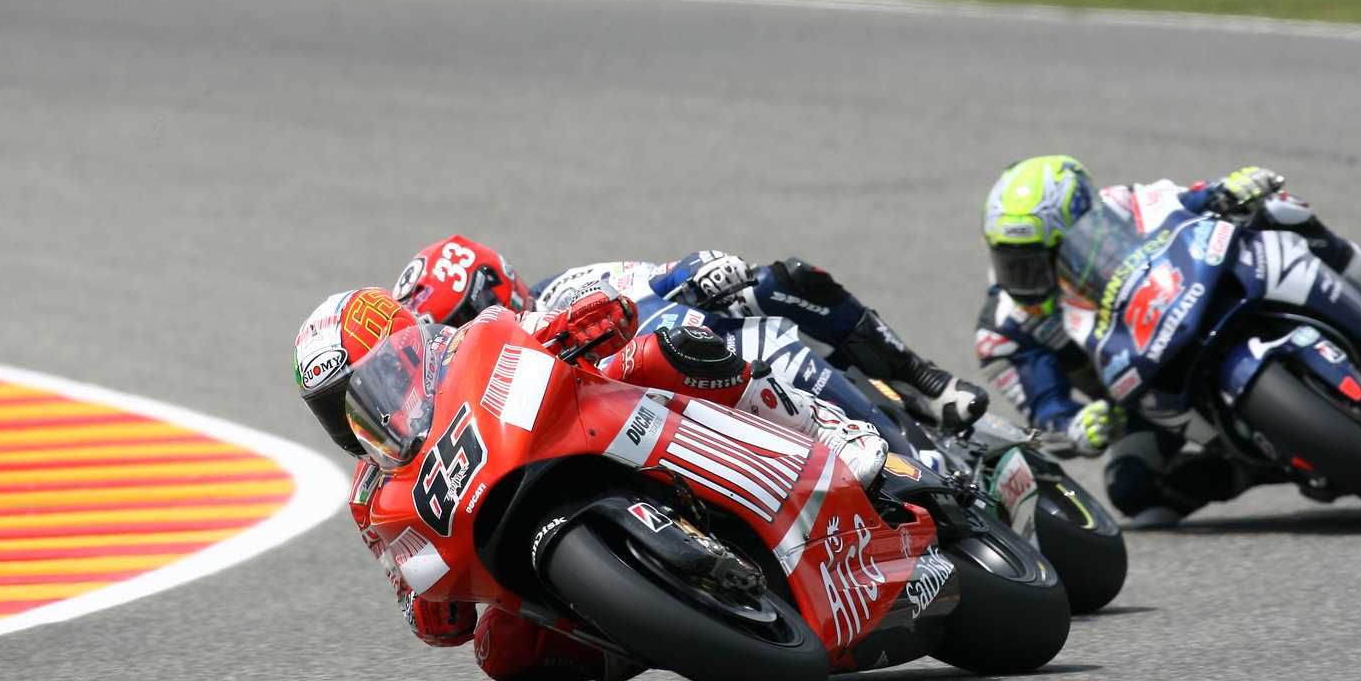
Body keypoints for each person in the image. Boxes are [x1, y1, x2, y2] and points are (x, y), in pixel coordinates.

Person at [294, 274, 888, 681]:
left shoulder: (467, 342)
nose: (349, 415)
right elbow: (431, 612)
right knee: (504, 658)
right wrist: (426, 602)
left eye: (359, 386)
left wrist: (584, 323)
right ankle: (665, 629)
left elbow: (559, 325)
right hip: (509, 532)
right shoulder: (372, 497)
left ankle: (822, 428)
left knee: (666, 353)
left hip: (587, 418)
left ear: (404, 351)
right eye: (331, 409)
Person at [973, 155, 1361, 527]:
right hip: (1144, 396)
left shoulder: (1126, 204)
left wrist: (1231, 189)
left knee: (1277, 210)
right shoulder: (1003, 332)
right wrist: (1076, 427)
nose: (1025, 279)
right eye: (1011, 262)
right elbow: (1044, 411)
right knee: (1133, 490)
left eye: (1037, 259)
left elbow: (1194, 200)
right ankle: (1252, 467)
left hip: (1186, 301)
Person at [394, 237, 989, 435]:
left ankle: (919, 379)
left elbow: (648, 279)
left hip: (697, 369)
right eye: (450, 334)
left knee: (784, 282)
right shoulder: (476, 404)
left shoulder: (561, 293)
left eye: (462, 318)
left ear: (490, 289)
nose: (464, 337)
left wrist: (693, 271)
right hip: (645, 429)